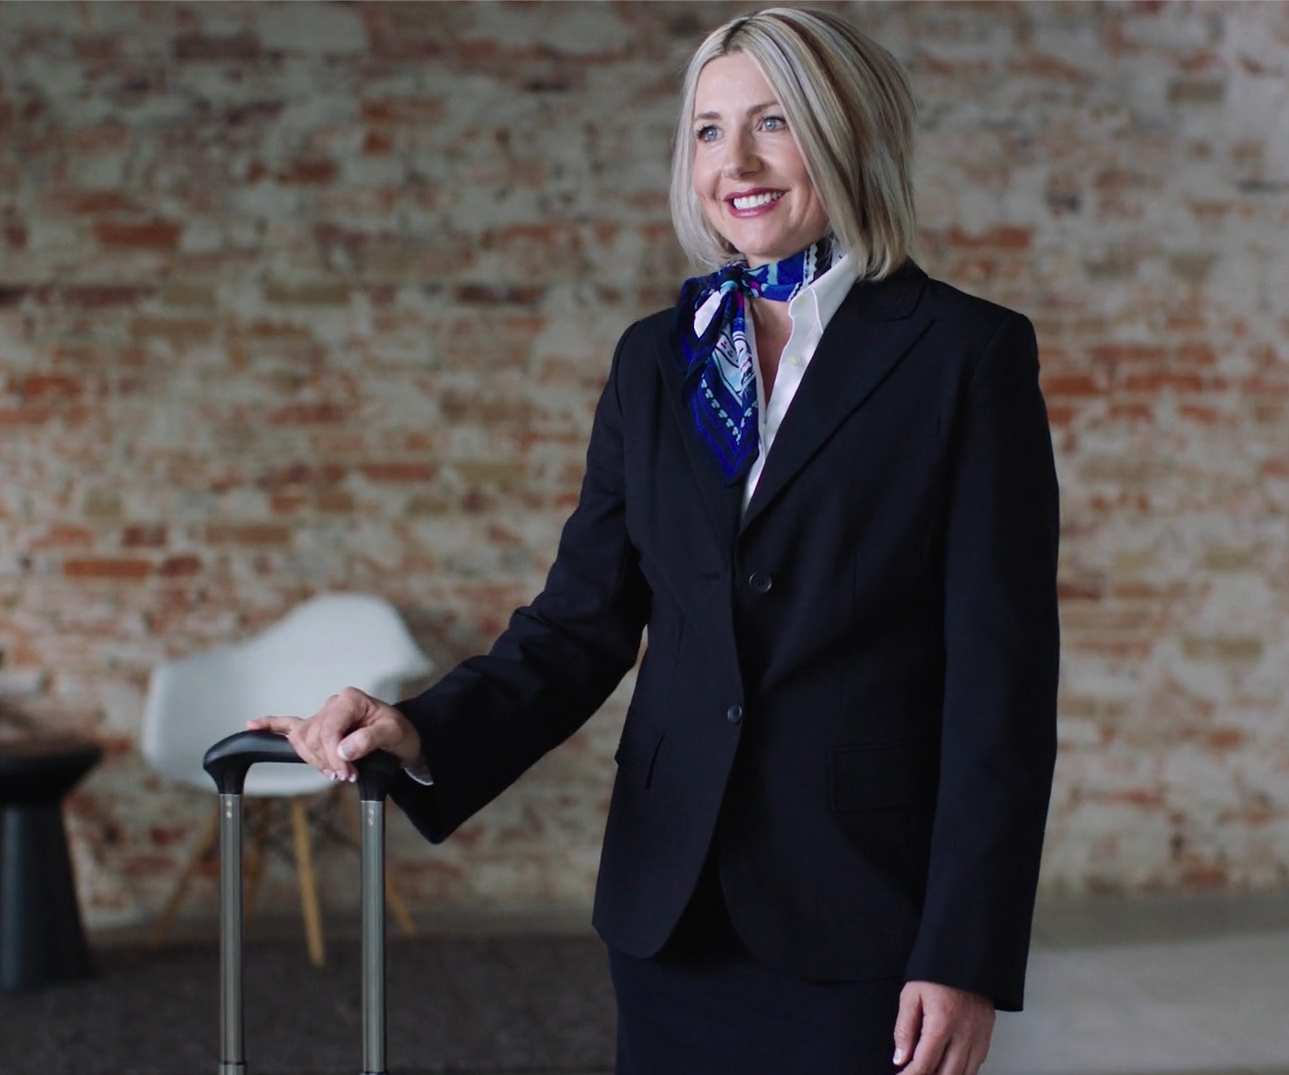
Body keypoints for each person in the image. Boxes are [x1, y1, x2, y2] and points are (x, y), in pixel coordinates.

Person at [250, 8, 1059, 1074]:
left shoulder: (965, 356)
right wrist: (414, 728)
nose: (738, 161)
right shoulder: (654, 361)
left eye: (774, 121)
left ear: (845, 133)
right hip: (667, 909)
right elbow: (578, 625)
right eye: (708, 130)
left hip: (863, 916)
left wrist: (962, 950)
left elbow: (998, 687)